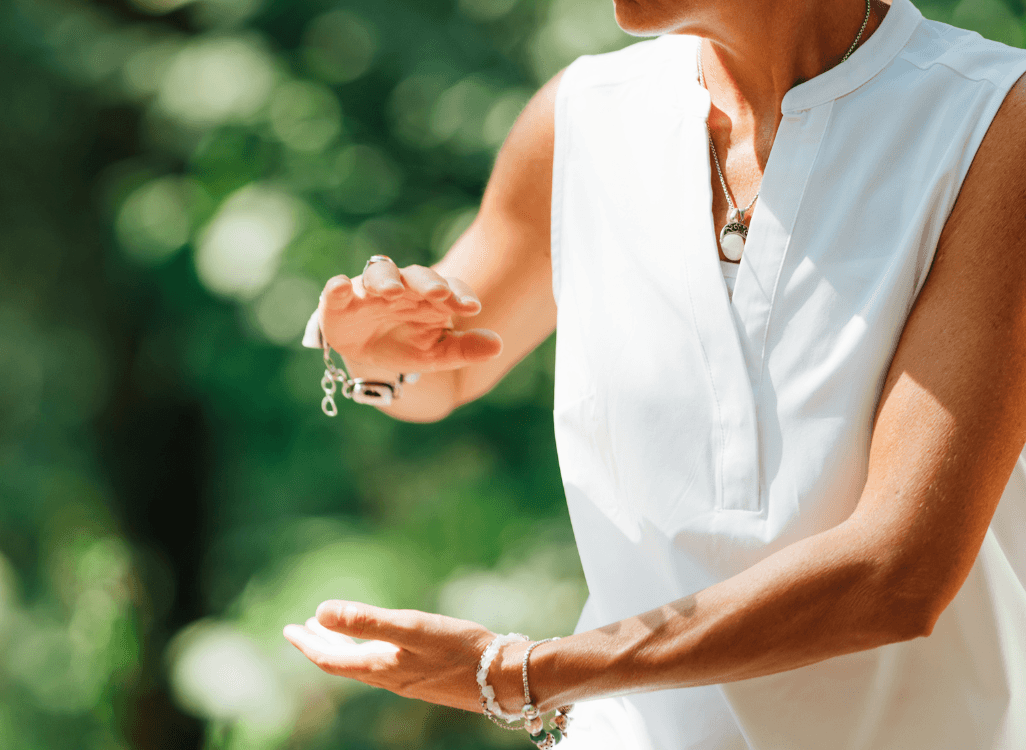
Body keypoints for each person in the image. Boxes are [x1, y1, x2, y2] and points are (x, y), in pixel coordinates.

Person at [282, 0, 1026, 745]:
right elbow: (444, 374)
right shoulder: (582, 118)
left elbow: (897, 574)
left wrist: (527, 673)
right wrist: (373, 357)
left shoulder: (993, 121)